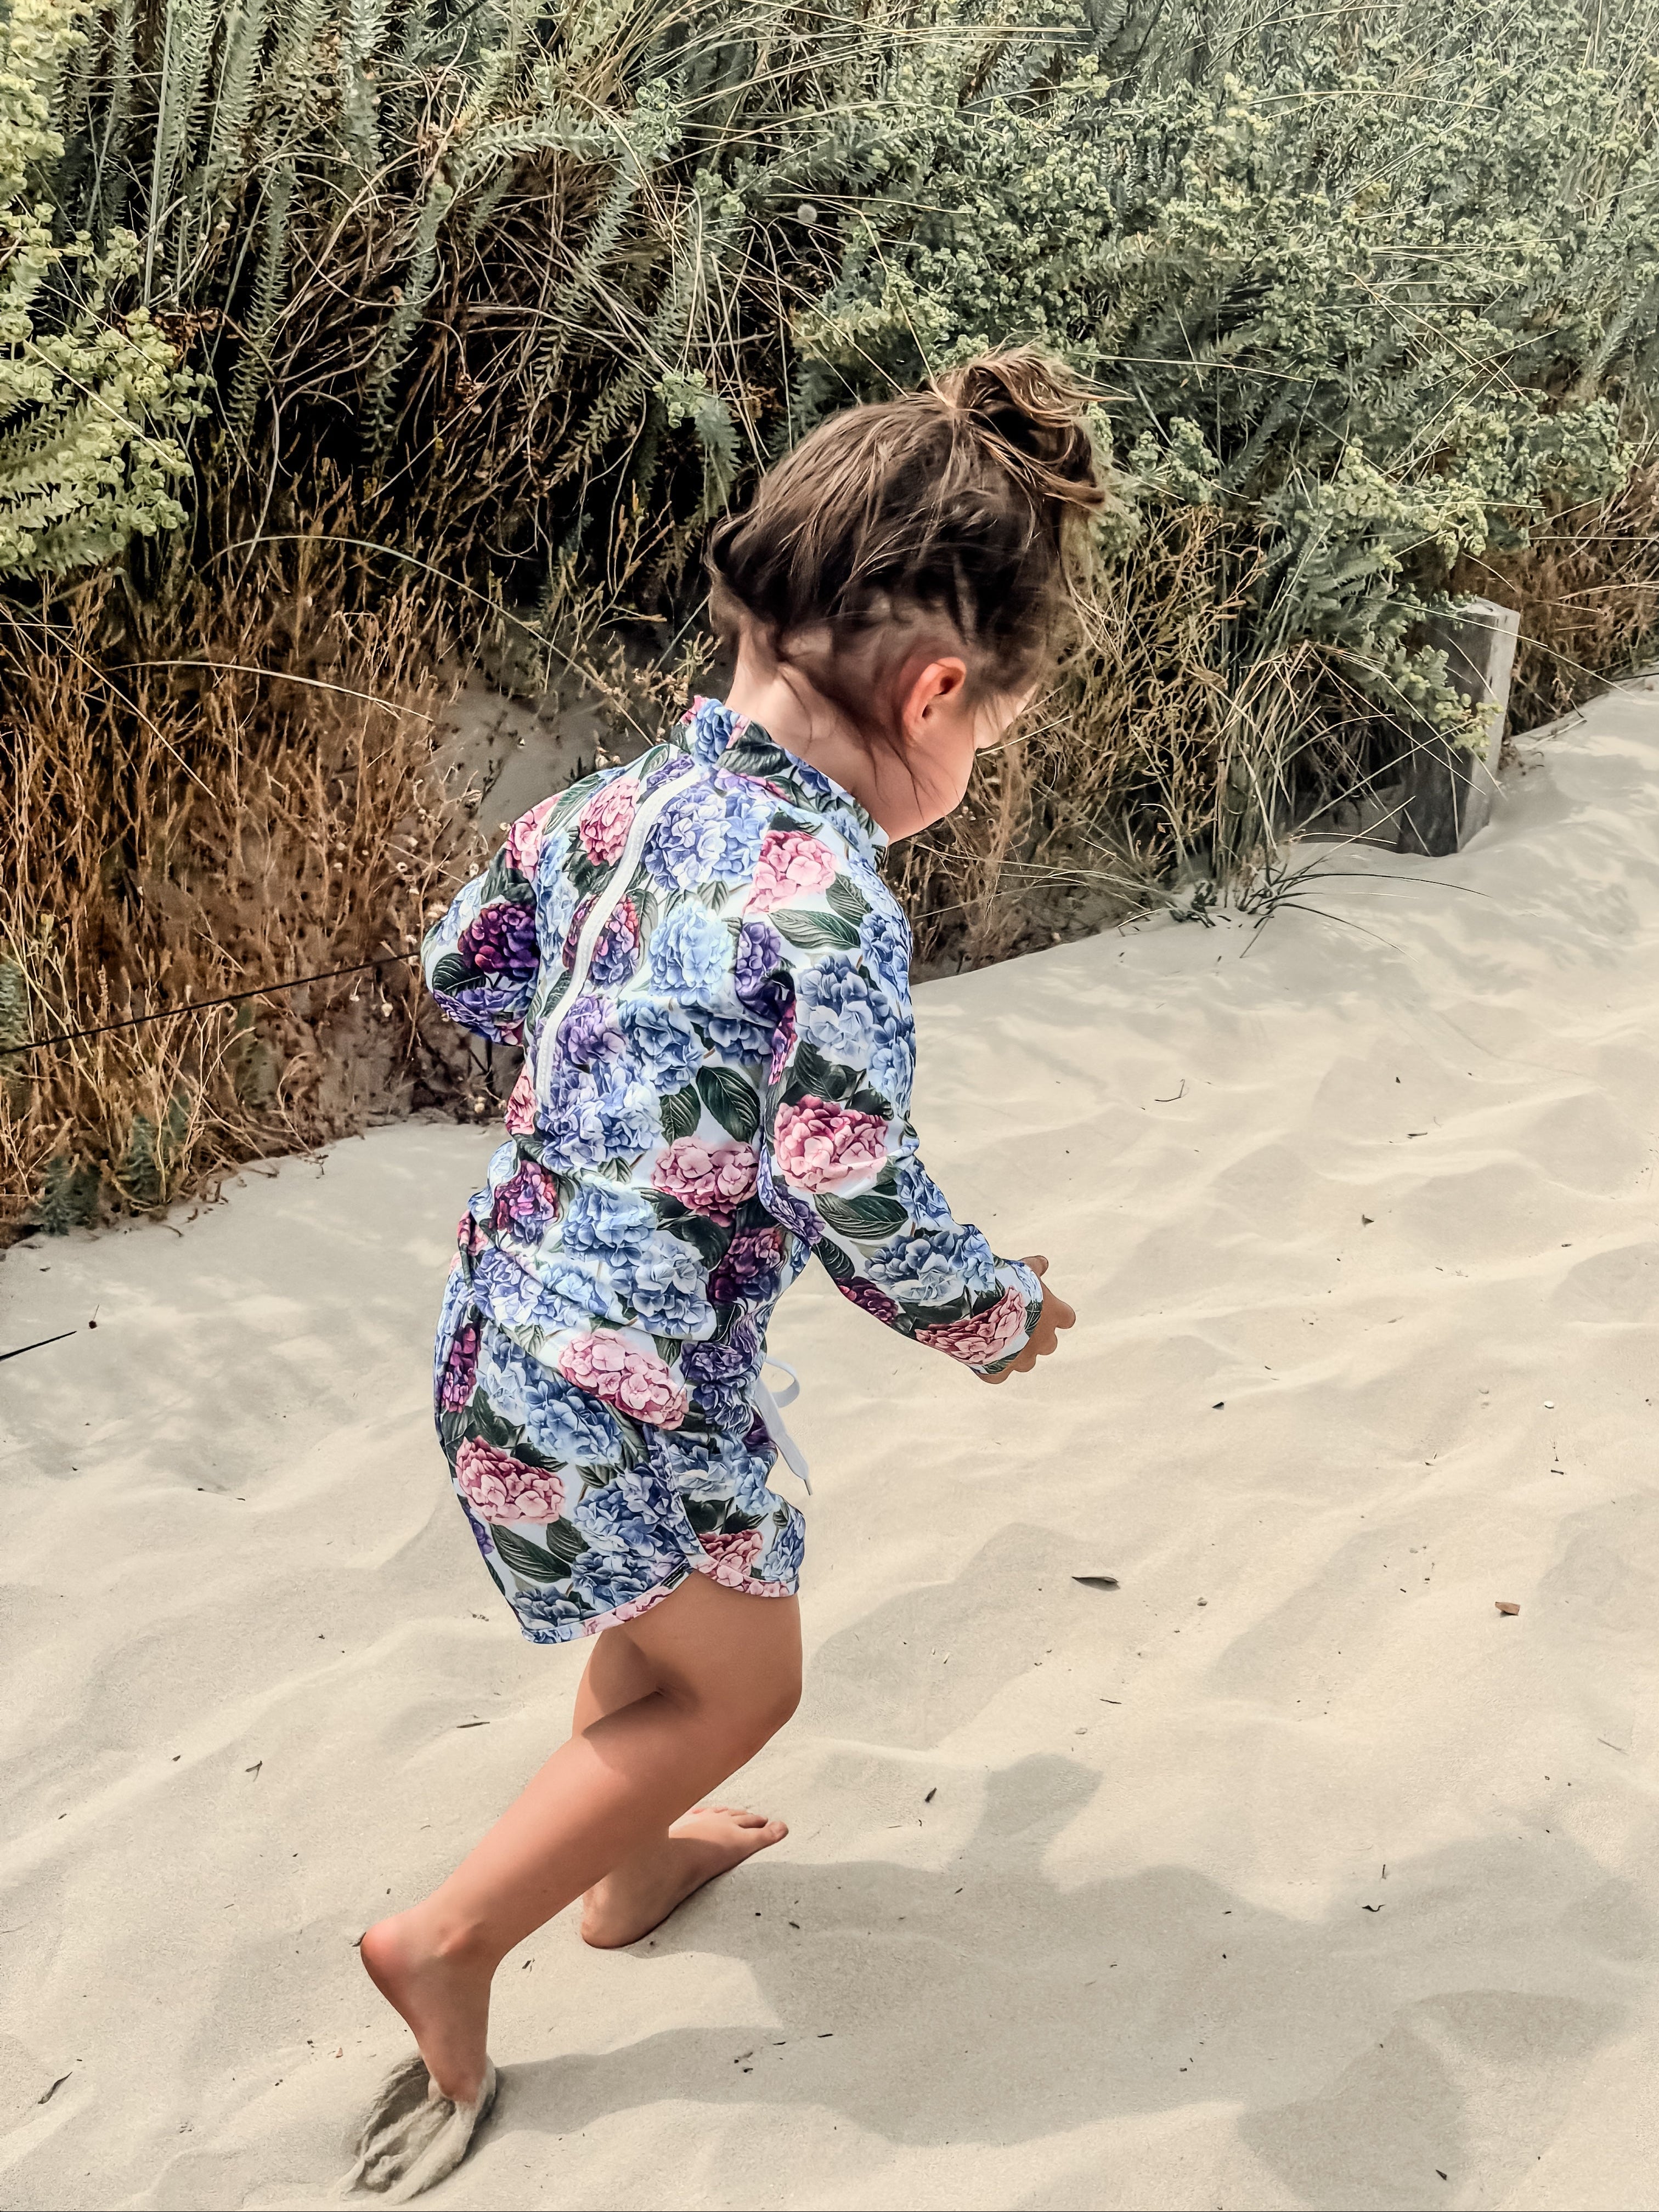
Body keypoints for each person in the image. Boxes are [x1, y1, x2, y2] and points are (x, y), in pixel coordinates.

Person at [348, 347, 1099, 2197]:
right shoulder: (828, 900)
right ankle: (447, 1935)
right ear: (937, 694)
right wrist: (995, 1315)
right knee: (737, 1683)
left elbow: (463, 959)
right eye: (981, 732)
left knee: (655, 1613)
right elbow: (854, 1186)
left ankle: (632, 1862)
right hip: (640, 1371)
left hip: (498, 1324)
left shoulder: (611, 805)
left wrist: (611, 1061)